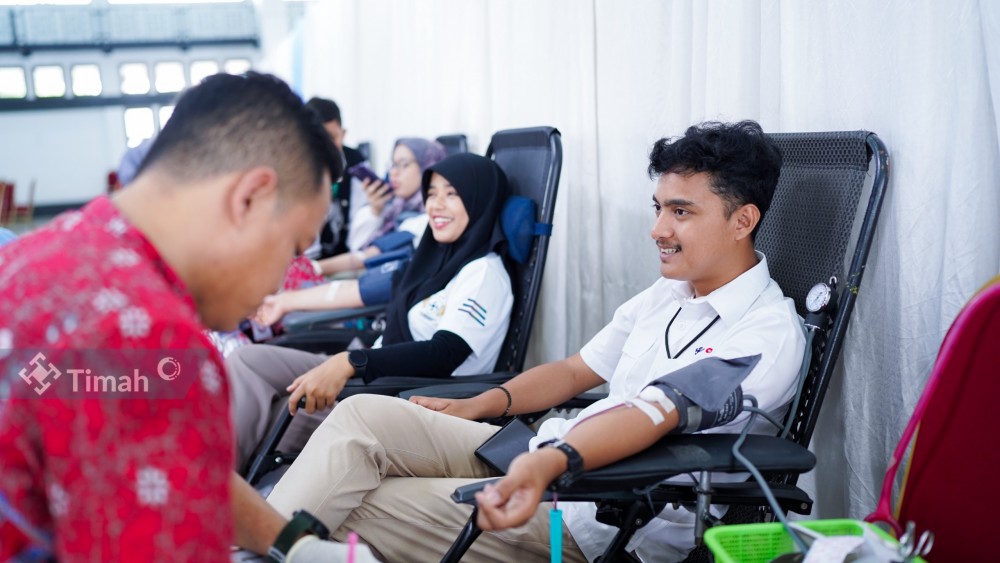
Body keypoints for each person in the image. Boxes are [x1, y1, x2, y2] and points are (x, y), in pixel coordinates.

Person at [255, 120, 807, 561]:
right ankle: (250, 545)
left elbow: (654, 414)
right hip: (543, 454)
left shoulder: (766, 334)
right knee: (360, 417)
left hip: (595, 513)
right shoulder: (669, 294)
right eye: (658, 208)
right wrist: (480, 404)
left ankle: (255, 546)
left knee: (358, 502)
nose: (658, 229)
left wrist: (550, 464)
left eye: (680, 212)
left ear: (743, 221)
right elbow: (573, 372)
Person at [0, 72, 375, 562]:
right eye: (291, 248)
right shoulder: (153, 340)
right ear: (249, 198)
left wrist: (292, 542)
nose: (281, 282)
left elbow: (149, 452)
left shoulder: (41, 256)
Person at [227, 152, 515, 471]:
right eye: (432, 194)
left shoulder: (483, 275)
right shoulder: (434, 259)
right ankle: (213, 470)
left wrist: (352, 362)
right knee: (247, 360)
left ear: (479, 201)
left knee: (286, 411)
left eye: (452, 194)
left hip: (401, 396)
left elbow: (445, 353)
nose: (436, 205)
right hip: (375, 371)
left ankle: (219, 482)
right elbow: (361, 290)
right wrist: (283, 302)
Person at [303, 97, 366, 258]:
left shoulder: (356, 164)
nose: (326, 146)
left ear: (343, 134)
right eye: (318, 138)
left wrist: (374, 211)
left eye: (331, 137)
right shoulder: (298, 167)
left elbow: (360, 235)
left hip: (347, 256)